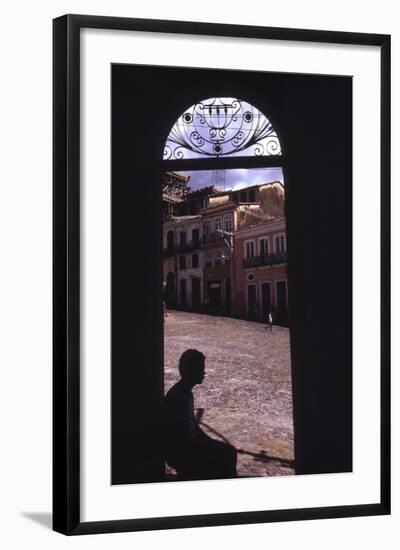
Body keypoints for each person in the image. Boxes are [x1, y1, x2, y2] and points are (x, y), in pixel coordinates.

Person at [162, 349, 237, 480]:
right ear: (192, 370)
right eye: (201, 368)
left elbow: (192, 426)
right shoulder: (180, 397)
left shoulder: (184, 393)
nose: (204, 372)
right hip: (183, 452)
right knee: (227, 454)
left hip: (189, 447)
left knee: (227, 452)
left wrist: (209, 442)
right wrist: (208, 445)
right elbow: (181, 438)